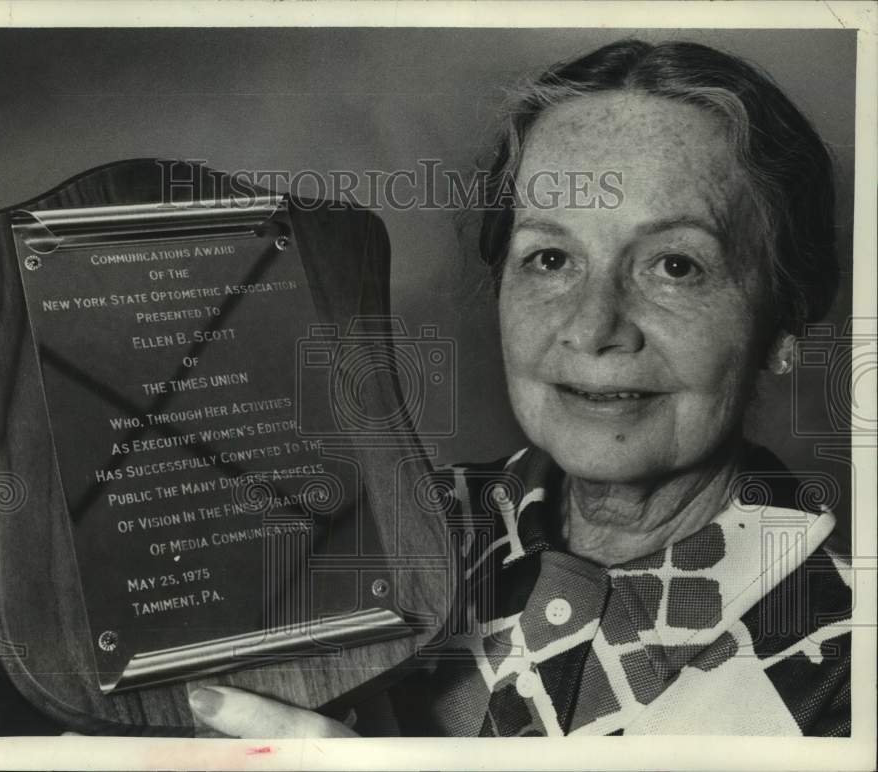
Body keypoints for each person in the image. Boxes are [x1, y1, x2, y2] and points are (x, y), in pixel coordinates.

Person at [188, 39, 852, 737]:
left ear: (784, 327)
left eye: (676, 266)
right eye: (552, 258)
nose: (595, 327)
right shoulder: (371, 535)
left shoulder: (843, 659)